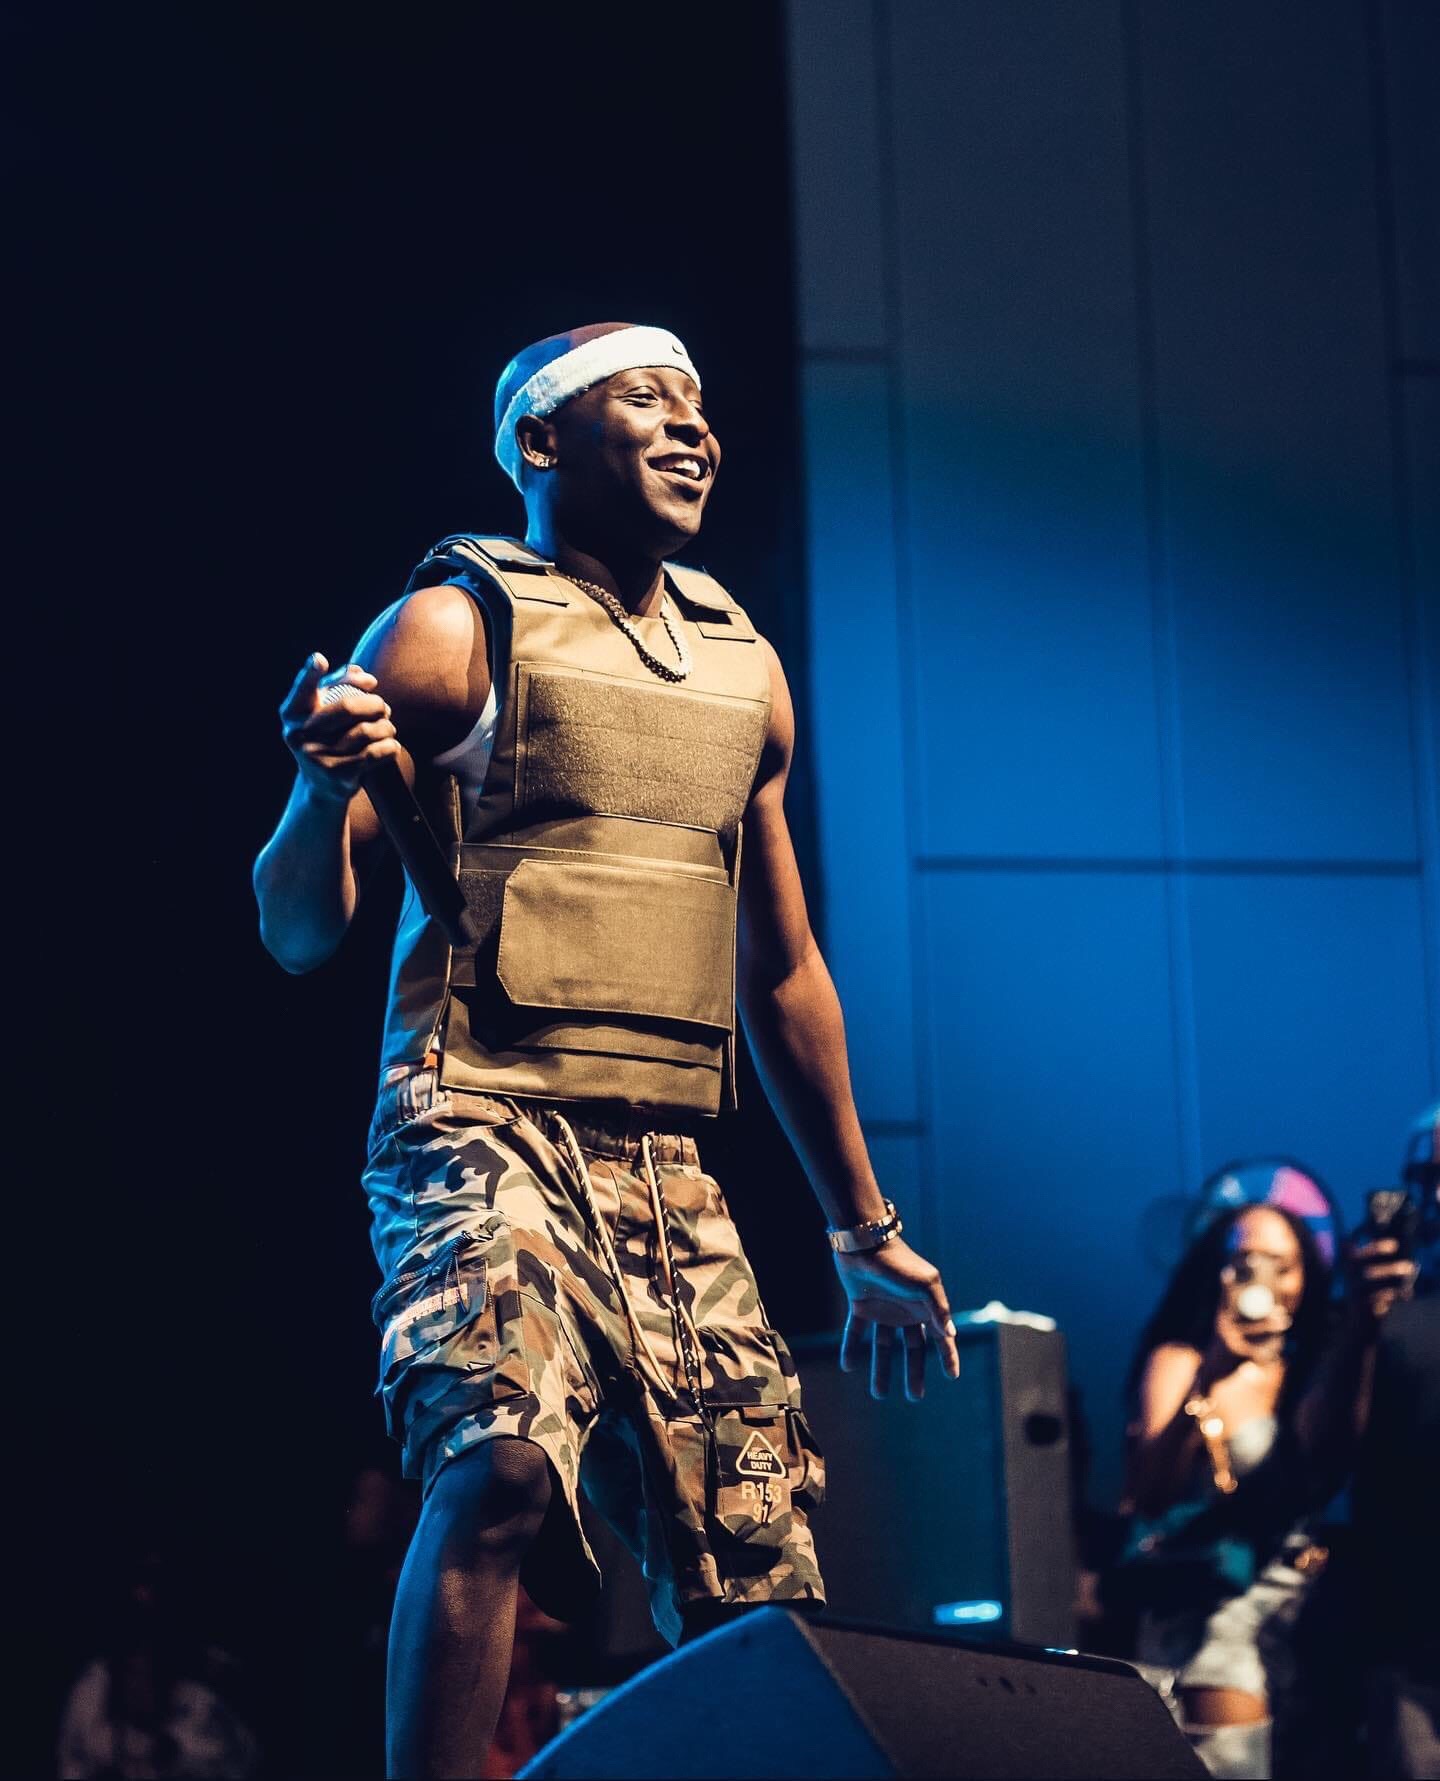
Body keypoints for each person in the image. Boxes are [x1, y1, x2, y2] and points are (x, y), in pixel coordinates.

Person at [253, 322, 960, 1777]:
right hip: (475, 1112)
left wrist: (862, 1226)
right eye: (648, 400)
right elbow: (298, 930)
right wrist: (318, 797)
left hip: (662, 1154)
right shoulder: (454, 628)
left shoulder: (740, 667)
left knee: (760, 1559)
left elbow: (784, 972)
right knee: (499, 1461)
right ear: (542, 444)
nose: (694, 428)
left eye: (701, 406)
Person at [1118, 1193, 1414, 1779]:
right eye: (1246, 1262)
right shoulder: (1182, 1360)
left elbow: (1331, 1453)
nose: (1266, 1280)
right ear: (1218, 1271)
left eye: (1284, 1265)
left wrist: (1361, 1329)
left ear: (1308, 1275)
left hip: (1308, 1625)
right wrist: (1212, 1375)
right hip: (1217, 1620)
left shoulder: (1318, 1367)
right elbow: (1147, 1494)